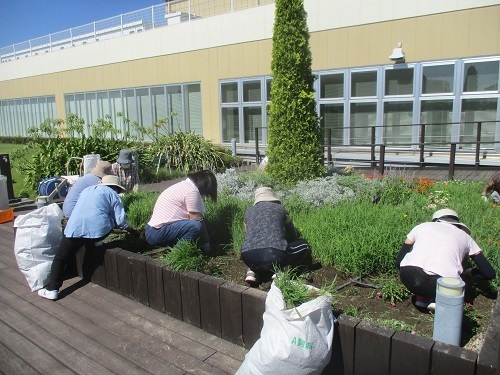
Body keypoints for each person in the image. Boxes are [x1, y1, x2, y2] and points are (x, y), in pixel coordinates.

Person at [38, 175, 141, 300]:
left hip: (74, 228)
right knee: (106, 221)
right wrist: (133, 231)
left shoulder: (87, 190)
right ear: (116, 188)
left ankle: (52, 289)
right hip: (98, 232)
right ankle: (96, 241)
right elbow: (121, 221)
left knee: (61, 257)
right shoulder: (113, 194)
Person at [396, 208, 496, 311]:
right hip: (444, 286)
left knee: (424, 275)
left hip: (409, 277)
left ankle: (422, 299)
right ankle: (439, 301)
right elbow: (489, 274)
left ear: (435, 220)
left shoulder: (421, 227)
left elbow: (399, 261)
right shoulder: (466, 237)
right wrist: (472, 273)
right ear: (457, 224)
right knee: (453, 281)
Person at [241, 187, 312, 284]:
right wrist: (287, 243)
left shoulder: (248, 212)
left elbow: (248, 234)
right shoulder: (280, 208)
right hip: (274, 254)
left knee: (257, 251)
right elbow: (292, 233)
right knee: (304, 246)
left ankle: (252, 271)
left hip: (247, 256)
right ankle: (282, 270)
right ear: (272, 198)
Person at [145, 170, 217, 253]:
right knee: (195, 226)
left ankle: (181, 247)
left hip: (153, 230)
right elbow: (196, 220)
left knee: (203, 223)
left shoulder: (185, 185)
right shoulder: (192, 191)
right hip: (157, 232)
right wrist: (206, 245)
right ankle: (176, 253)